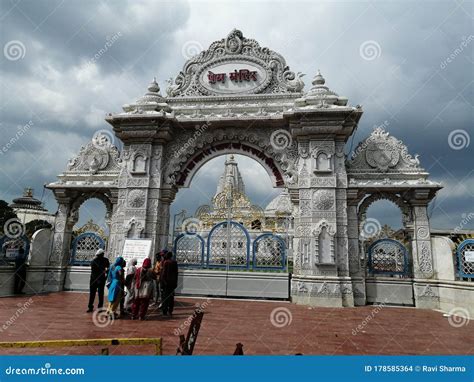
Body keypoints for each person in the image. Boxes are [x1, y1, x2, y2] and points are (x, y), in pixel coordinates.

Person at [160, 251, 178, 316]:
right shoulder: (174, 262)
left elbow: (164, 273)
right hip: (172, 282)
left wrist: (162, 282)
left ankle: (164, 310)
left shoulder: (166, 263)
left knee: (165, 297)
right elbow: (176, 273)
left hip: (166, 282)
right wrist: (176, 282)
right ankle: (170, 310)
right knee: (171, 297)